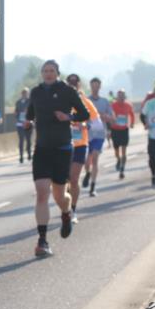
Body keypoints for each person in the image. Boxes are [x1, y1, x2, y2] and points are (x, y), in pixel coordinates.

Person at [26, 60, 90, 257]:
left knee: (60, 196)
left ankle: (66, 213)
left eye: (51, 71)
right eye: (45, 71)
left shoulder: (68, 91)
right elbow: (30, 114)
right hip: (42, 149)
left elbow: (84, 114)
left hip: (62, 149)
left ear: (57, 73)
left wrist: (68, 117)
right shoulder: (36, 92)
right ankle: (42, 240)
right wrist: (27, 122)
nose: (48, 74)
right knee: (42, 193)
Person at [65, 74, 96, 222]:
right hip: (64, 144)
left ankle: (73, 210)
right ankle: (66, 207)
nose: (72, 85)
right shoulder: (60, 101)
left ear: (79, 84)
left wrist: (84, 125)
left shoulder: (85, 101)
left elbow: (93, 121)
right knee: (64, 181)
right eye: (69, 82)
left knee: (74, 178)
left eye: (75, 83)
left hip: (80, 144)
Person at [85, 77, 114, 197]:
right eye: (93, 86)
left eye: (97, 86)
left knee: (95, 158)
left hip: (100, 134)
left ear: (100, 87)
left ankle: (93, 186)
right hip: (87, 134)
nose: (95, 88)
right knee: (87, 160)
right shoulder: (85, 100)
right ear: (90, 86)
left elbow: (112, 117)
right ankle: (87, 173)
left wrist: (104, 116)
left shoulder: (104, 101)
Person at [110, 89, 136, 179]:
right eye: (119, 96)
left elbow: (132, 114)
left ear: (125, 96)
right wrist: (111, 122)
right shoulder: (113, 105)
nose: (121, 98)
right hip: (115, 130)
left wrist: (132, 123)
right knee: (116, 151)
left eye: (122, 96)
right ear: (117, 97)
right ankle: (118, 159)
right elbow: (109, 114)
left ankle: (122, 169)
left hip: (124, 129)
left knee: (124, 151)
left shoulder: (128, 105)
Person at [15, 87, 33, 163]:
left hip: (28, 123)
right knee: (21, 140)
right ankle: (21, 156)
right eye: (23, 93)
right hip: (20, 123)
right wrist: (17, 115)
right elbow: (16, 112)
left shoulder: (30, 101)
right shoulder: (18, 102)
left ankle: (29, 153)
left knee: (28, 140)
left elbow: (33, 111)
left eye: (26, 93)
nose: (24, 94)